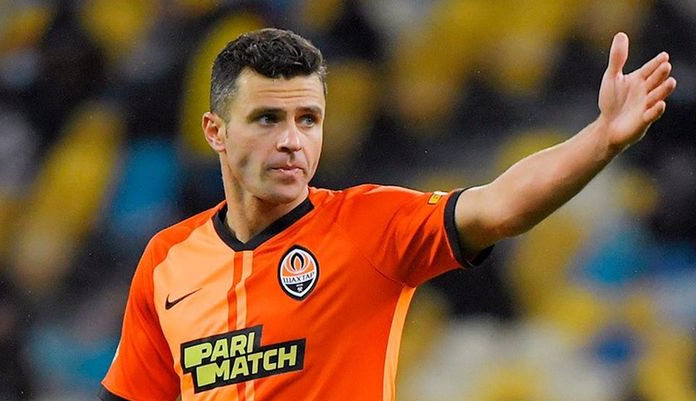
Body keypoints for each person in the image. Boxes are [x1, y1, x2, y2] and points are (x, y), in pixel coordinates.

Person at [98, 28, 676, 401]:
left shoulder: (366, 226)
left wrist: (602, 139)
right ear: (216, 132)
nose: (292, 141)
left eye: (308, 119)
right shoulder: (168, 260)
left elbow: (501, 205)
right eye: (268, 119)